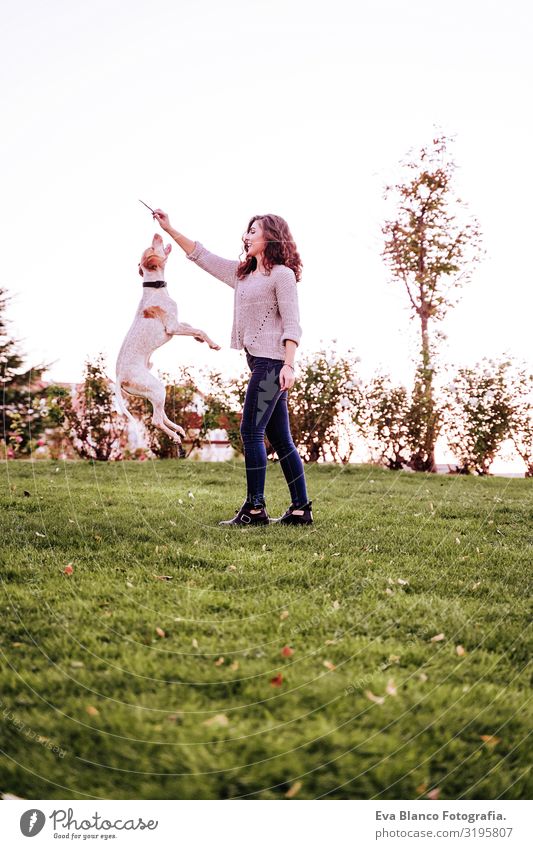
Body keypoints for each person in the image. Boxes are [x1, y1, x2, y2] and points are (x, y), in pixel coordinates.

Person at [152, 208, 313, 526]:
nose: (247, 235)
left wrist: (289, 366)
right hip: (261, 362)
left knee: (251, 432)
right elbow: (202, 256)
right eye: (247, 231)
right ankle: (300, 509)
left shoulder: (282, 274)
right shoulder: (243, 275)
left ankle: (255, 509)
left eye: (254, 231)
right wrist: (169, 228)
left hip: (272, 364)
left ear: (270, 236)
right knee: (280, 439)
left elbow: (292, 325)